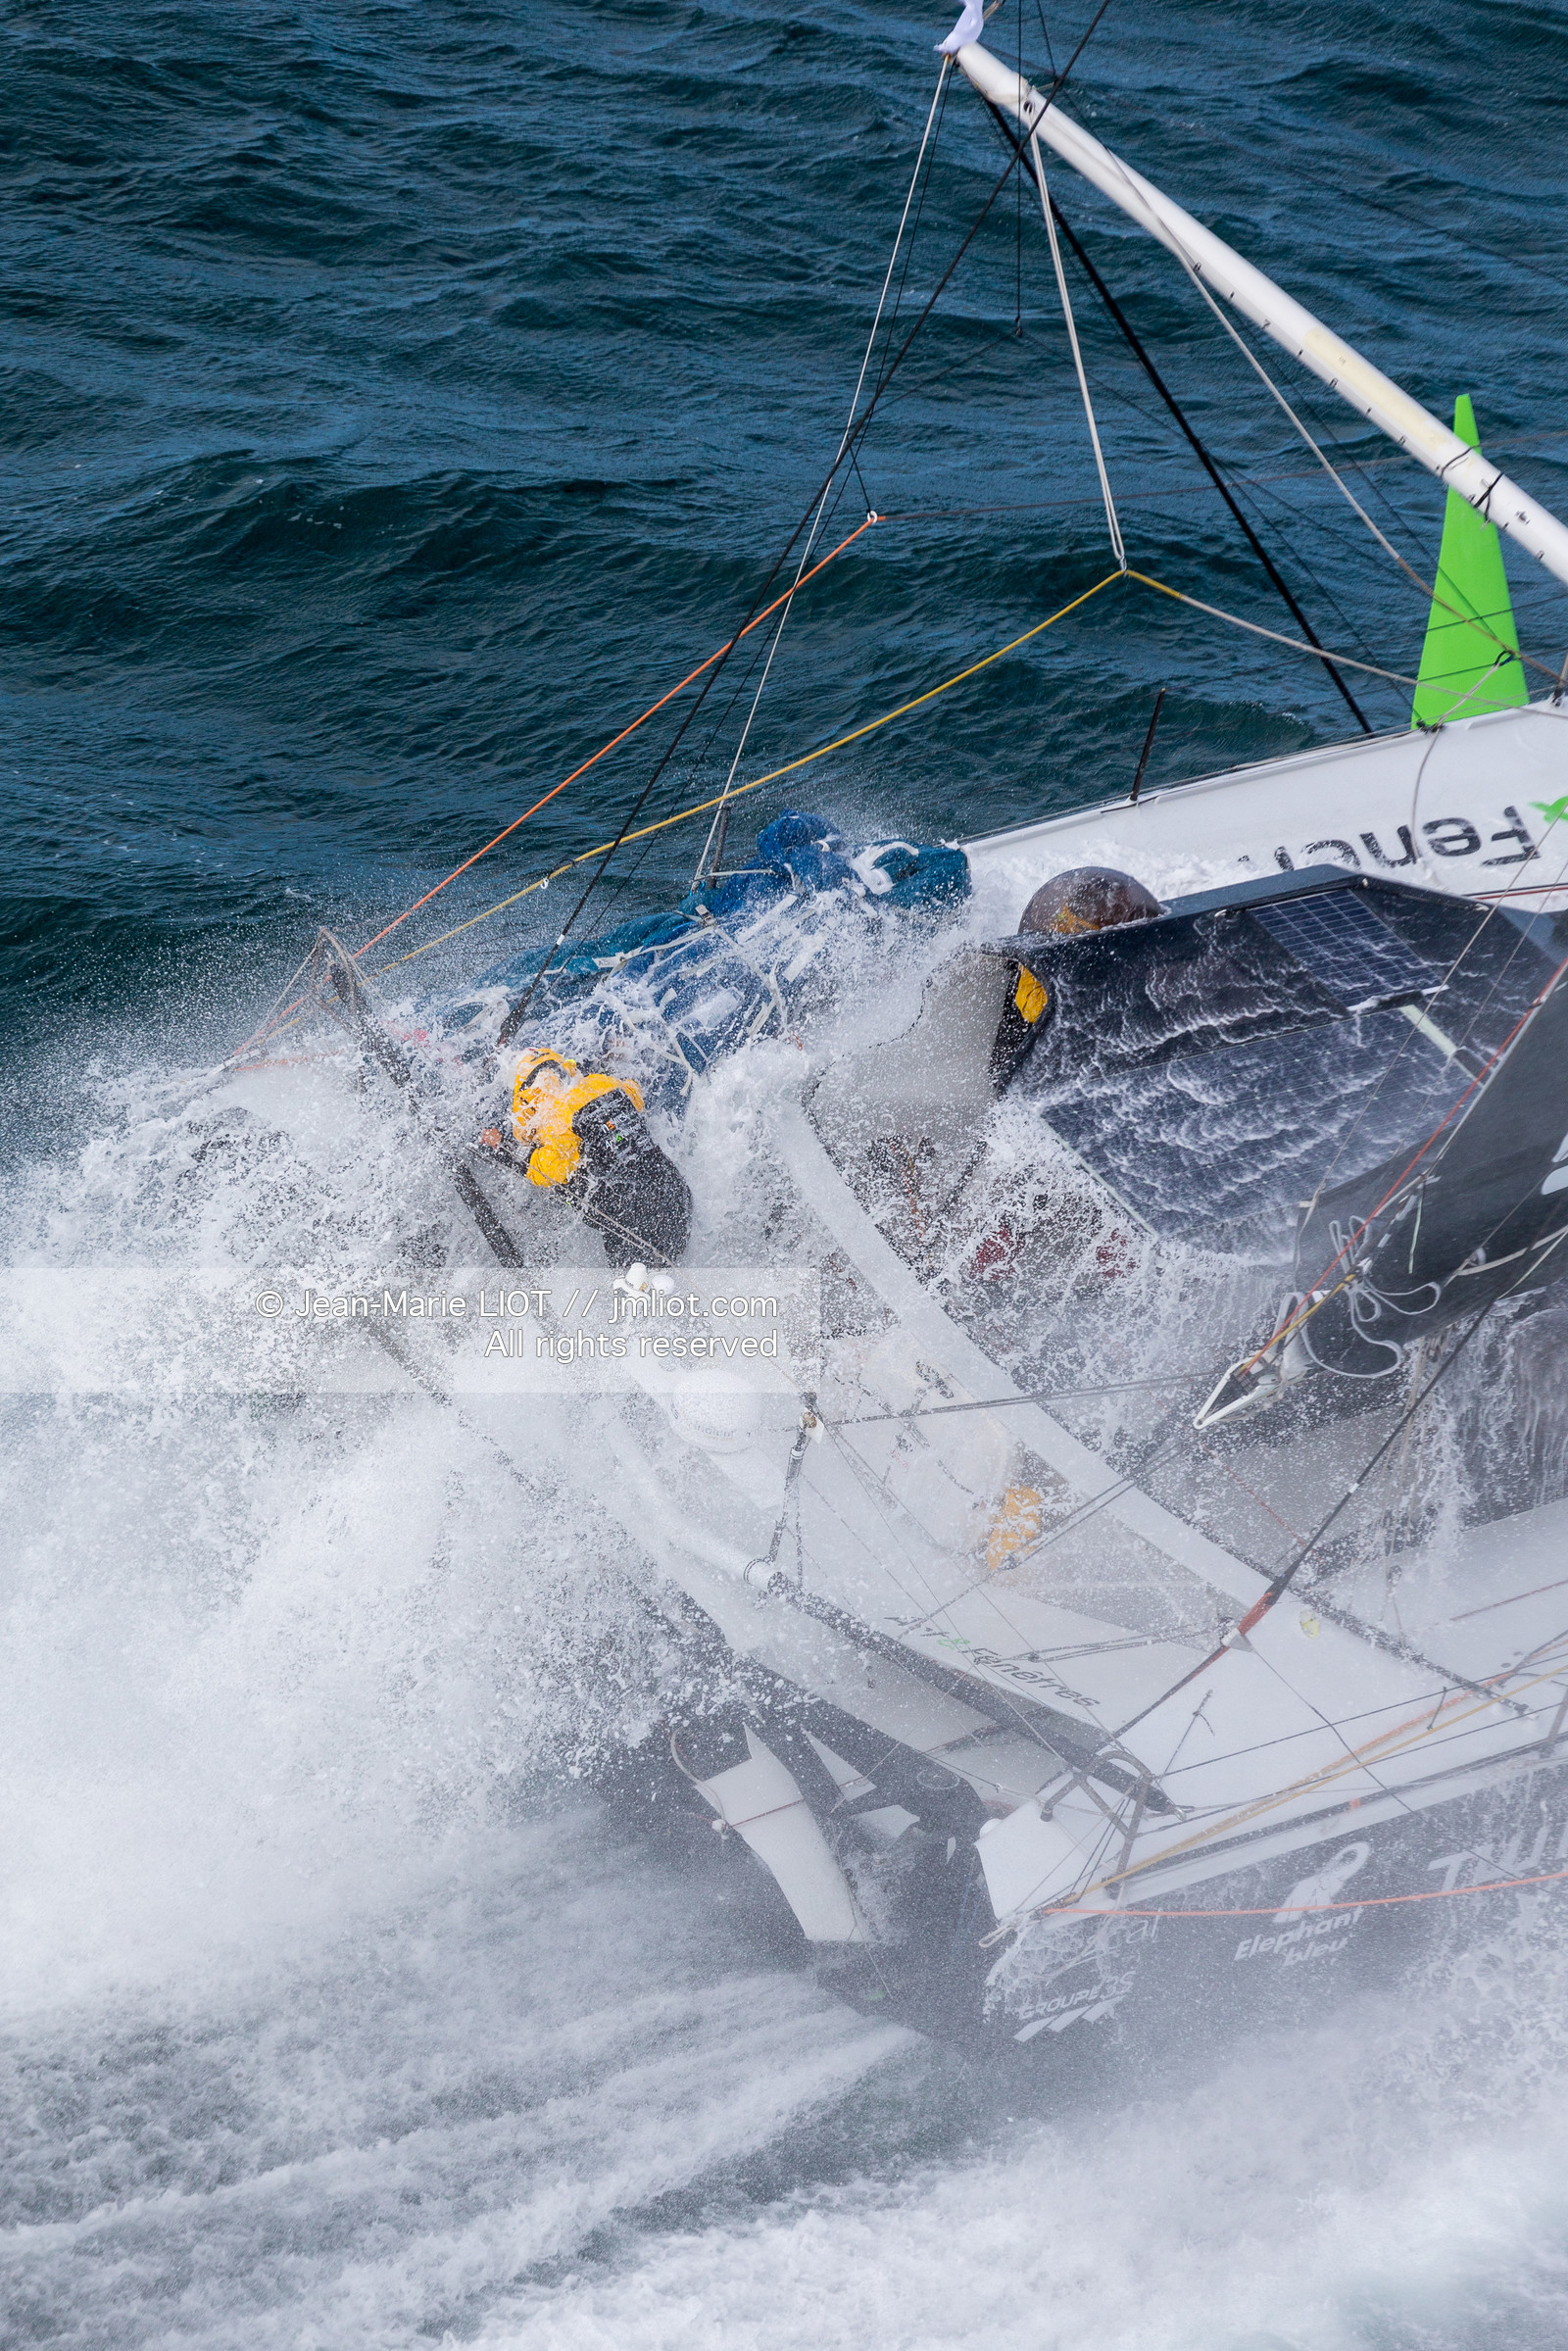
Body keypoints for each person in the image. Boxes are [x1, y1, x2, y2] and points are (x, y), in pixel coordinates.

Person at [479, 1049, 693, 1267]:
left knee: (636, 1293)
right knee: (666, 1281)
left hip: (635, 1218)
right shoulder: (606, 1083)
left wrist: (503, 1146)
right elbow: (634, 1092)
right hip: (674, 1191)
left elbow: (549, 1171)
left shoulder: (558, 1119)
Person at [991, 864, 1163, 1082]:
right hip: (1027, 1047)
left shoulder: (1086, 929)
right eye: (1120, 904)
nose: (1125, 906)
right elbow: (1033, 1009)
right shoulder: (1054, 942)